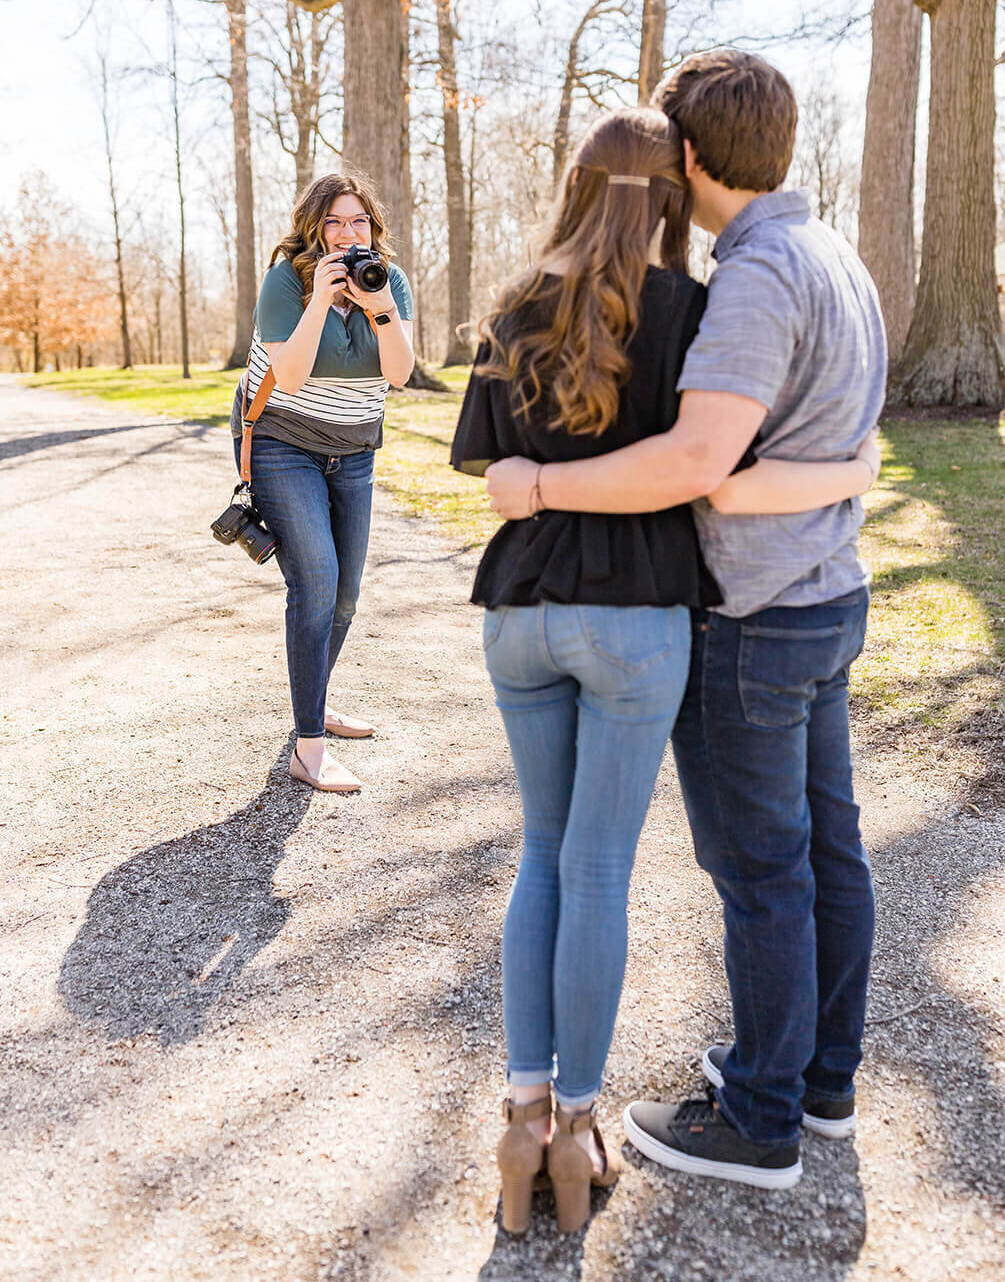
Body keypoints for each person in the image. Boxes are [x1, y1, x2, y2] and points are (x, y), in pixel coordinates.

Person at [451, 106, 880, 1231]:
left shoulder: (510, 304)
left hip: (519, 609)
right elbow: (703, 462)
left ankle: (521, 1116)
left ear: (575, 184)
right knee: (597, 868)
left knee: (538, 854)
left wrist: (536, 480)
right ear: (669, 187)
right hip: (638, 624)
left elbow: (487, 462)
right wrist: (851, 464)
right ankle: (580, 1126)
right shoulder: (691, 306)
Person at [230, 170, 414, 792]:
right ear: (314, 227)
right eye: (333, 221)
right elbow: (292, 372)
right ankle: (308, 748)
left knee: (346, 597)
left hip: (355, 450)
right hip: (284, 443)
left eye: (357, 220)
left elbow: (400, 376)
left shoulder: (387, 283)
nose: (346, 233)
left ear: (373, 227)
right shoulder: (286, 281)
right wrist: (318, 301)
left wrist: (381, 309)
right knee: (316, 583)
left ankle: (315, 704)